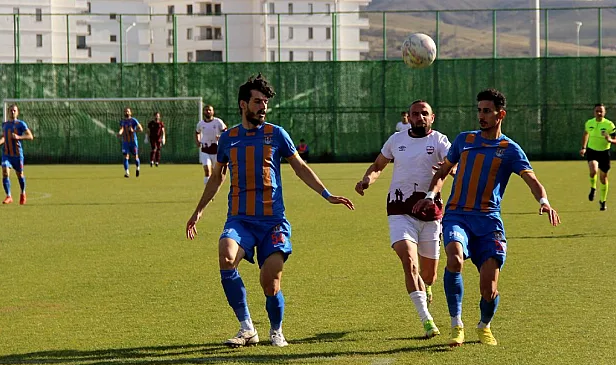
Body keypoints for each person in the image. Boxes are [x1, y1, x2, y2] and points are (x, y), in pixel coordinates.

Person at [185, 73, 355, 348]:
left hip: (273, 221)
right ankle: (247, 328)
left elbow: (300, 167)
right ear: (243, 104)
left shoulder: (276, 134)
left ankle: (276, 330)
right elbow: (218, 176)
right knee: (226, 256)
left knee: (270, 282)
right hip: (240, 219)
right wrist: (199, 211)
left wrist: (326, 194)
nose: (263, 106)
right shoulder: (228, 138)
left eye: (265, 102)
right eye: (257, 101)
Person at [413, 89, 561, 347]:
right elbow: (443, 172)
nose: (481, 115)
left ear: (500, 114)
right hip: (457, 215)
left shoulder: (510, 149)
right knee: (454, 258)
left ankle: (484, 325)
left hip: (489, 222)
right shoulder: (464, 140)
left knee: (489, 289)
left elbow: (531, 179)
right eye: (479, 110)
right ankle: (456, 323)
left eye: (487, 111)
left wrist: (544, 202)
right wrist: (430, 194)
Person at [355, 100, 452, 339]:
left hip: (430, 213)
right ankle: (427, 320)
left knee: (428, 275)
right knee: (409, 261)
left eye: (424, 114)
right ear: (408, 117)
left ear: (432, 117)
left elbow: (452, 165)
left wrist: (452, 170)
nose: (419, 117)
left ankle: (426, 287)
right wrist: (367, 179)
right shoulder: (396, 140)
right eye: (415, 113)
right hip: (399, 210)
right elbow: (378, 165)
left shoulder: (439, 141)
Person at [579, 104, 616, 211]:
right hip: (592, 151)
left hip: (604, 153)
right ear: (594, 112)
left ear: (604, 113)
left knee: (603, 178)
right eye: (597, 111)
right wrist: (583, 147)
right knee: (593, 170)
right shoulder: (589, 123)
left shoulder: (609, 125)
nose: (599, 113)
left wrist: (610, 140)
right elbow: (586, 134)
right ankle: (593, 188)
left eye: (601, 111)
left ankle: (603, 201)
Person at [0, 104, 34, 204]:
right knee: (5, 172)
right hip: (6, 154)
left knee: (20, 174)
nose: (12, 112)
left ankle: (23, 193)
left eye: (14, 110)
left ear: (17, 112)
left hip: (17, 155)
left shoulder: (21, 124)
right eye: (11, 110)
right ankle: (8, 196)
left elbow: (30, 136)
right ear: (8, 112)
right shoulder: (5, 125)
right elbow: (5, 137)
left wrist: (18, 137)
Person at [196, 105, 227, 186]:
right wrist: (198, 141)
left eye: (209, 110)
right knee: (207, 171)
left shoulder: (218, 122)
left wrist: (220, 137)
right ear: (203, 112)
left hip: (216, 150)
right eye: (206, 110)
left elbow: (225, 131)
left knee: (215, 173)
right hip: (205, 150)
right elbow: (197, 132)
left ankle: (212, 192)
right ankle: (208, 191)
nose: (208, 112)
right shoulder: (200, 124)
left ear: (213, 111)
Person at [118, 107, 143, 178]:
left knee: (136, 157)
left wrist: (134, 131)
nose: (126, 113)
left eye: (128, 111)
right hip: (125, 142)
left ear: (130, 112)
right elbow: (121, 129)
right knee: (126, 157)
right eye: (125, 111)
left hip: (133, 142)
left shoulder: (133, 120)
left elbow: (141, 129)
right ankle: (127, 172)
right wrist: (119, 133)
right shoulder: (122, 121)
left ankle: (138, 168)